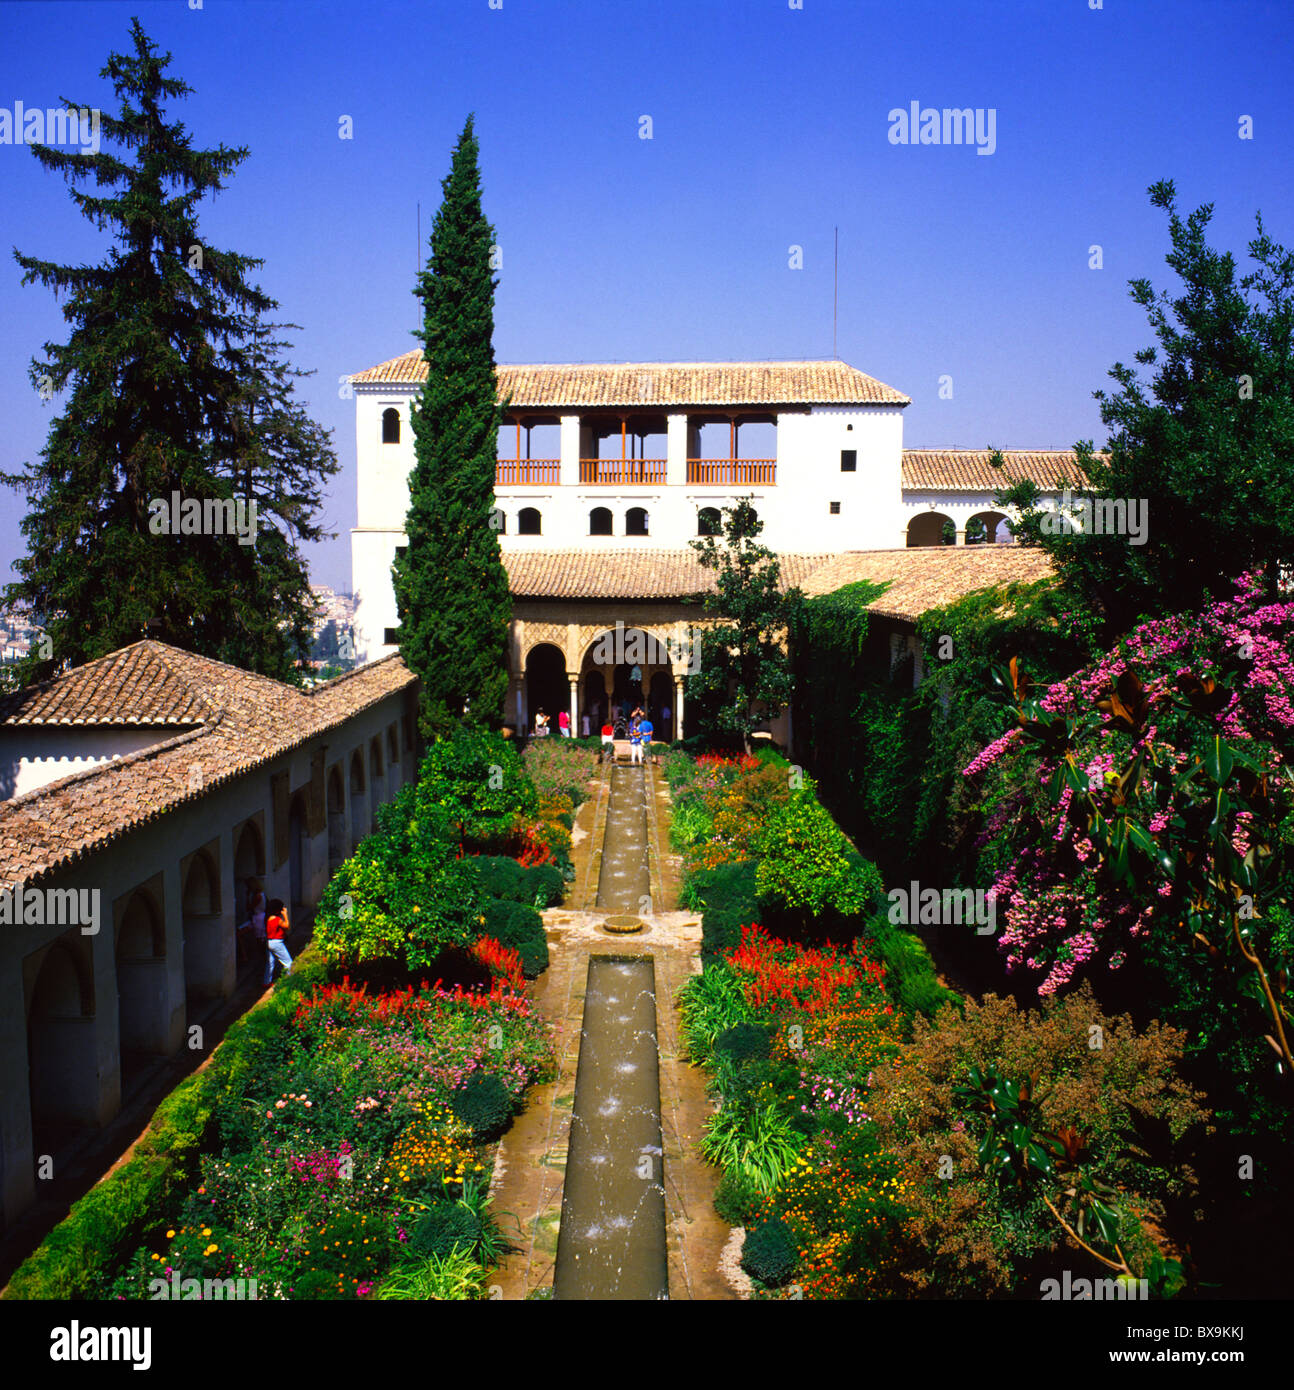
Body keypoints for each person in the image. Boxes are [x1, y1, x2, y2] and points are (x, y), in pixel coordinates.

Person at [264, 897, 293, 986]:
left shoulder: (268, 919)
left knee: (270, 963)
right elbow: (287, 926)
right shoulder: (277, 920)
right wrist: (285, 915)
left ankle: (266, 982)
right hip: (277, 943)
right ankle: (289, 980)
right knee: (288, 963)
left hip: (269, 942)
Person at [241, 877, 267, 970]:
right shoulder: (261, 894)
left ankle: (262, 961)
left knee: (260, 940)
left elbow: (248, 907)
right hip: (258, 918)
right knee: (259, 940)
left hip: (258, 919)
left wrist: (247, 897)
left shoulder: (257, 896)